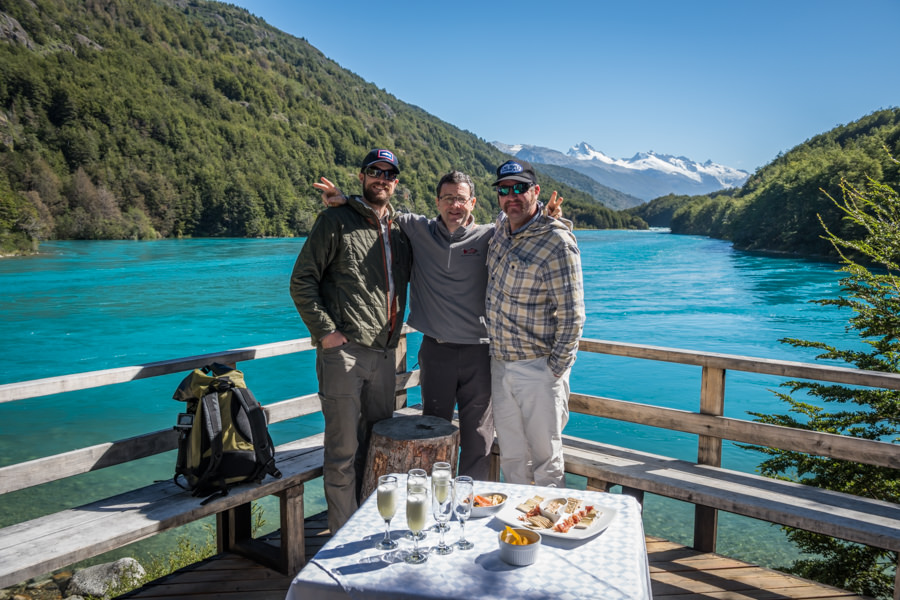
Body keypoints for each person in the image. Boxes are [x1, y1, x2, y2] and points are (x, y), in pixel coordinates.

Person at [315, 170, 564, 481]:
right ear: (437, 202)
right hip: (436, 351)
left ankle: (472, 500)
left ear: (473, 202)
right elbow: (379, 209)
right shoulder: (416, 228)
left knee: (479, 437)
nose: (454, 205)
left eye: (461, 199)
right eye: (447, 198)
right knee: (432, 431)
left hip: (480, 353)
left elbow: (526, 229)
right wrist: (346, 202)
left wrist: (550, 217)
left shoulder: (492, 236)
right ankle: (436, 499)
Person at [289, 148, 412, 533]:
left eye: (389, 174)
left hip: (385, 355)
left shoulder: (399, 230)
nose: (382, 179)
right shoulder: (334, 221)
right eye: (375, 171)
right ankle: (342, 538)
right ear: (362, 176)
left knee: (378, 447)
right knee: (342, 453)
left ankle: (373, 528)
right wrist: (326, 332)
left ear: (396, 183)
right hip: (345, 354)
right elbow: (302, 281)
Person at [485, 159, 586, 487]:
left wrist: (554, 371)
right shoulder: (502, 227)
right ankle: (517, 520)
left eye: (520, 188)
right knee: (512, 457)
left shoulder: (558, 242)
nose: (511, 196)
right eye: (504, 190)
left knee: (546, 462)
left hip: (538, 368)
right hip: (500, 365)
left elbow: (573, 315)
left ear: (536, 191)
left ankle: (548, 519)